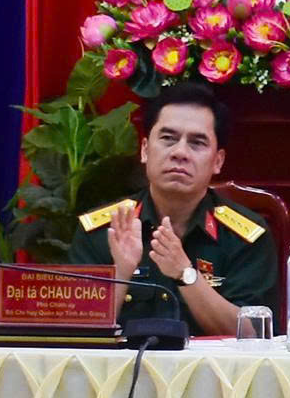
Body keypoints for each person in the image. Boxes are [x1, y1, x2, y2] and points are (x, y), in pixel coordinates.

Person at [69, 83, 278, 335]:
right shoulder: (104, 230)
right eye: (168, 139)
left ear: (218, 161)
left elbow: (253, 333)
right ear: (145, 150)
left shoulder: (245, 237)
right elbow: (77, 333)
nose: (180, 152)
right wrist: (121, 274)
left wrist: (185, 274)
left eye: (197, 143)